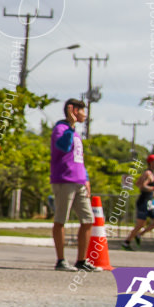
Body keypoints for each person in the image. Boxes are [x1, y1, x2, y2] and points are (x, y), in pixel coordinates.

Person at [50, 98, 100, 272]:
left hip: (79, 181)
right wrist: (70, 127)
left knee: (88, 220)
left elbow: (78, 158)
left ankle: (81, 260)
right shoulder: (61, 129)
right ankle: (61, 260)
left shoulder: (75, 133)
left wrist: (86, 178)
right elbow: (62, 147)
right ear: (73, 110)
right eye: (83, 111)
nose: (85, 115)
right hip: (64, 180)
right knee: (61, 220)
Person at [121, 154, 154, 250]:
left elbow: (137, 183)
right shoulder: (148, 173)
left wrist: (153, 193)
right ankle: (126, 242)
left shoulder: (150, 173)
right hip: (143, 201)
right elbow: (142, 186)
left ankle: (139, 235)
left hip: (150, 202)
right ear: (150, 163)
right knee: (140, 224)